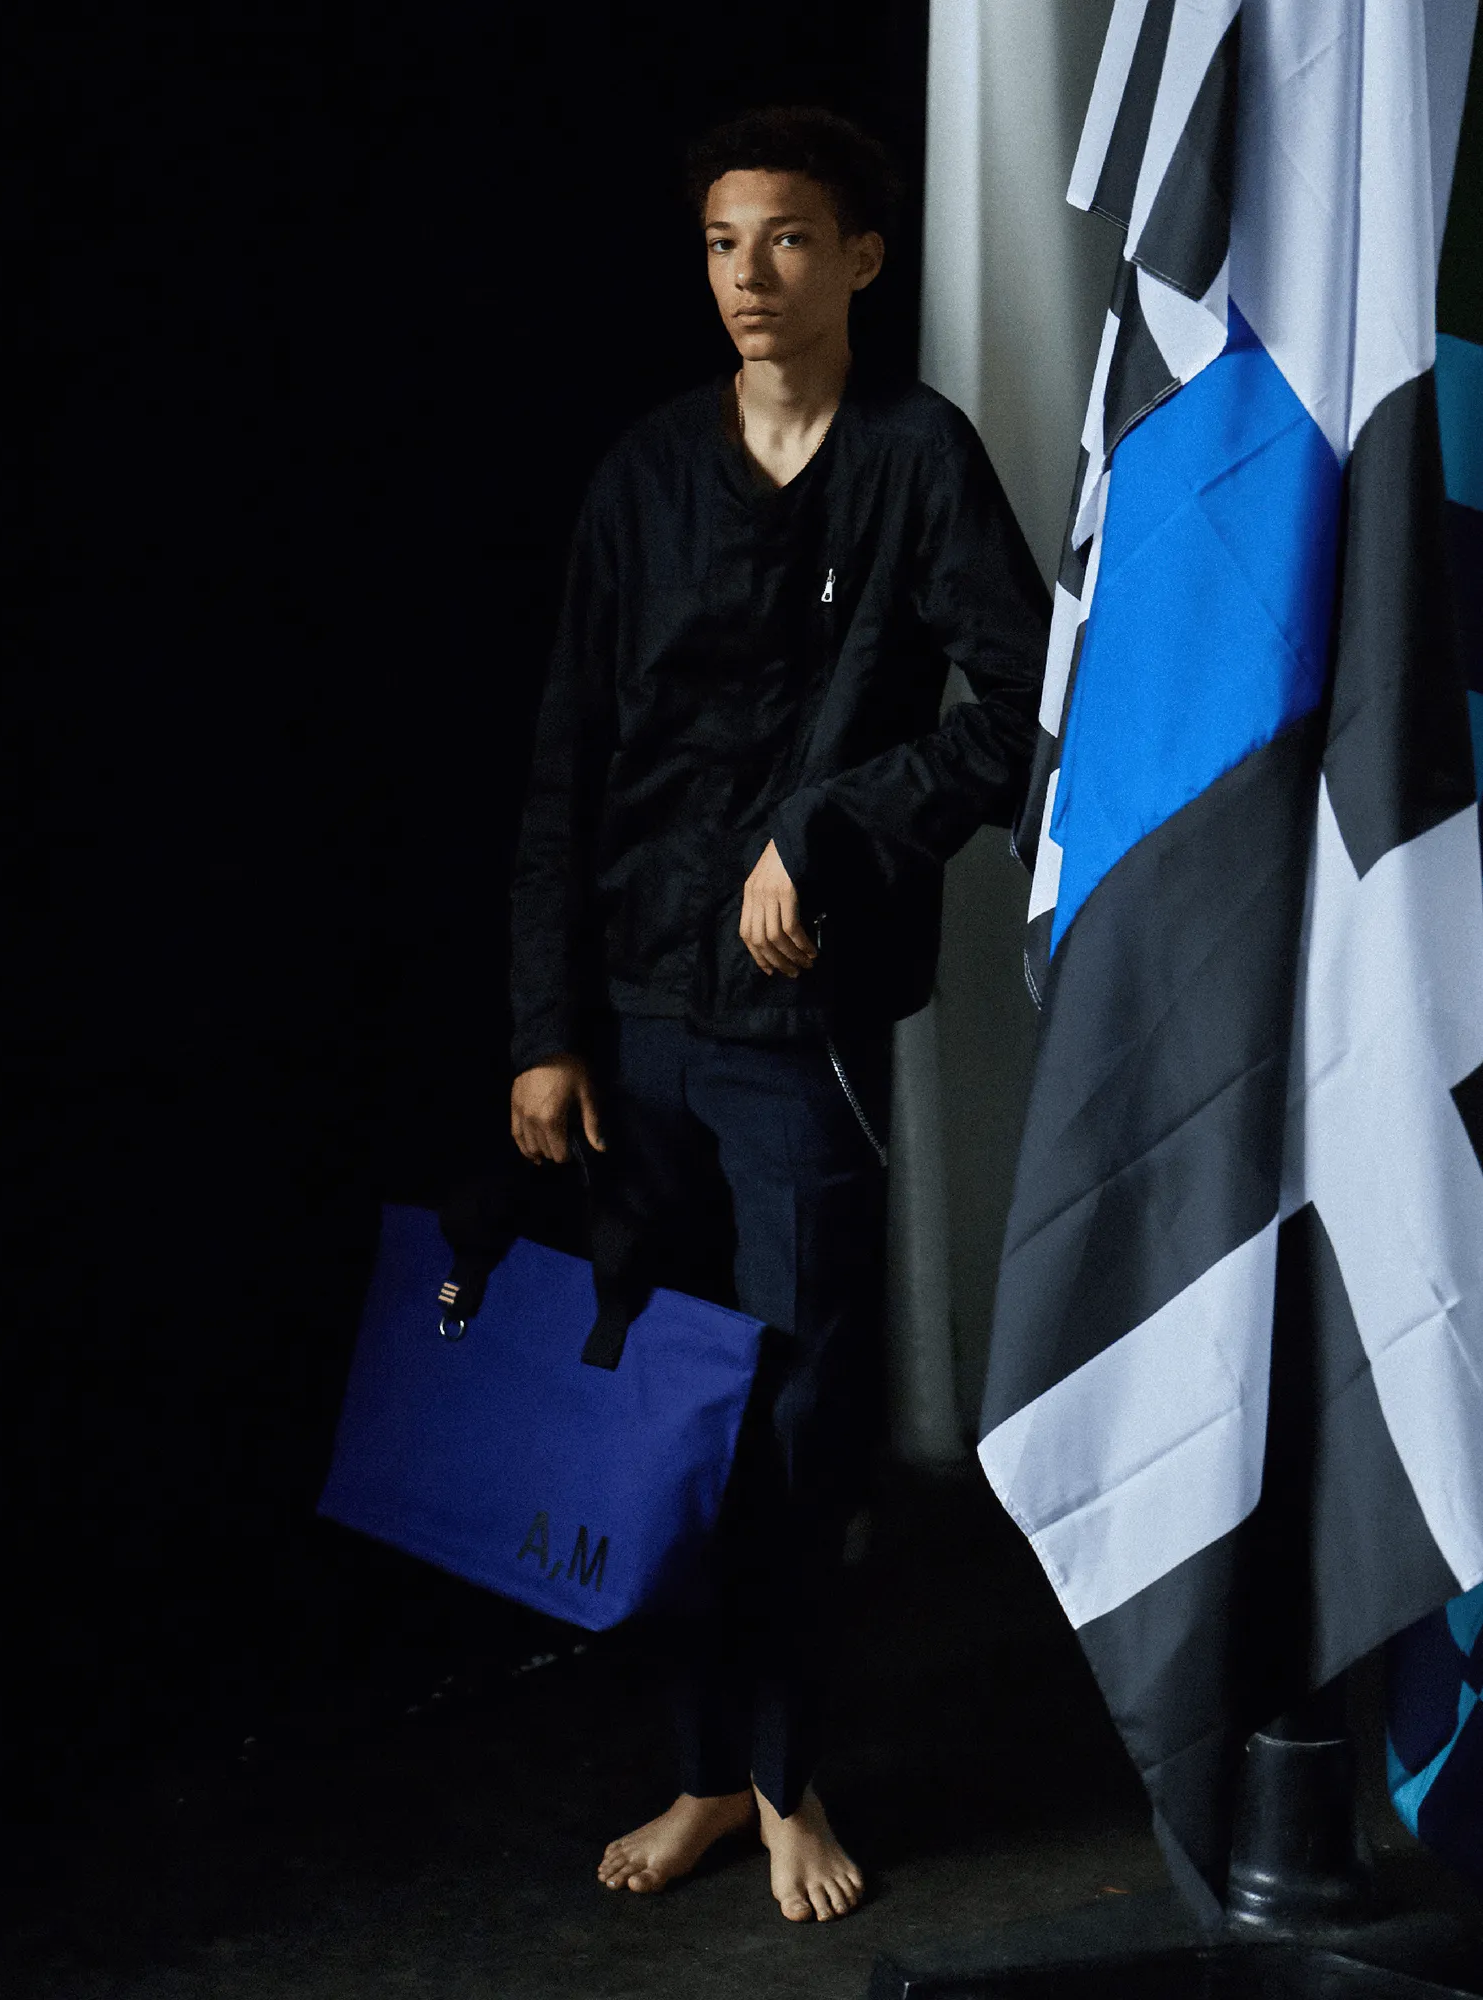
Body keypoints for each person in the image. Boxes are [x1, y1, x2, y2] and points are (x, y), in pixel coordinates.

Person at [508, 105, 1048, 1923]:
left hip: (794, 1036)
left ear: (864, 261)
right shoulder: (645, 473)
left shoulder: (917, 459)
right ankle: (699, 1774)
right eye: (727, 243)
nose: (752, 277)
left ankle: (788, 1770)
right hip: (633, 1019)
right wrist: (540, 1025)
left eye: (793, 241)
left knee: (805, 1426)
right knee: (666, 1413)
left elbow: (1015, 703)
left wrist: (830, 823)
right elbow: (565, 765)